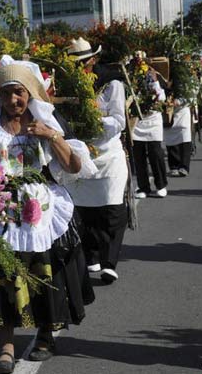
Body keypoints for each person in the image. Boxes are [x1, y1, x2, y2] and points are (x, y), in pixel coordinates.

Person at [0, 57, 96, 371]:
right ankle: (5, 348)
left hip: (41, 212)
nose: (12, 100)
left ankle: (46, 335)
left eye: (18, 92)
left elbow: (74, 167)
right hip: (1, 211)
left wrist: (51, 136)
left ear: (30, 93)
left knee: (44, 275)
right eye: (6, 93)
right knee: (1, 277)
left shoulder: (46, 119)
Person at [64, 38, 129, 283]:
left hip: (108, 153)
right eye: (75, 64)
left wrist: (92, 119)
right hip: (81, 153)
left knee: (111, 207)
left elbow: (118, 121)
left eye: (84, 62)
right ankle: (91, 257)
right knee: (84, 209)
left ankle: (109, 261)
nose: (81, 68)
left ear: (93, 59)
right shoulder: (66, 84)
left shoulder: (111, 83)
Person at [131, 52, 168, 198]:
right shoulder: (130, 77)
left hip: (153, 119)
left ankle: (161, 184)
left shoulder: (154, 75)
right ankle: (143, 187)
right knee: (138, 155)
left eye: (141, 60)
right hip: (137, 120)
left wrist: (155, 84)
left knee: (155, 153)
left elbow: (162, 96)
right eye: (136, 61)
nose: (139, 63)